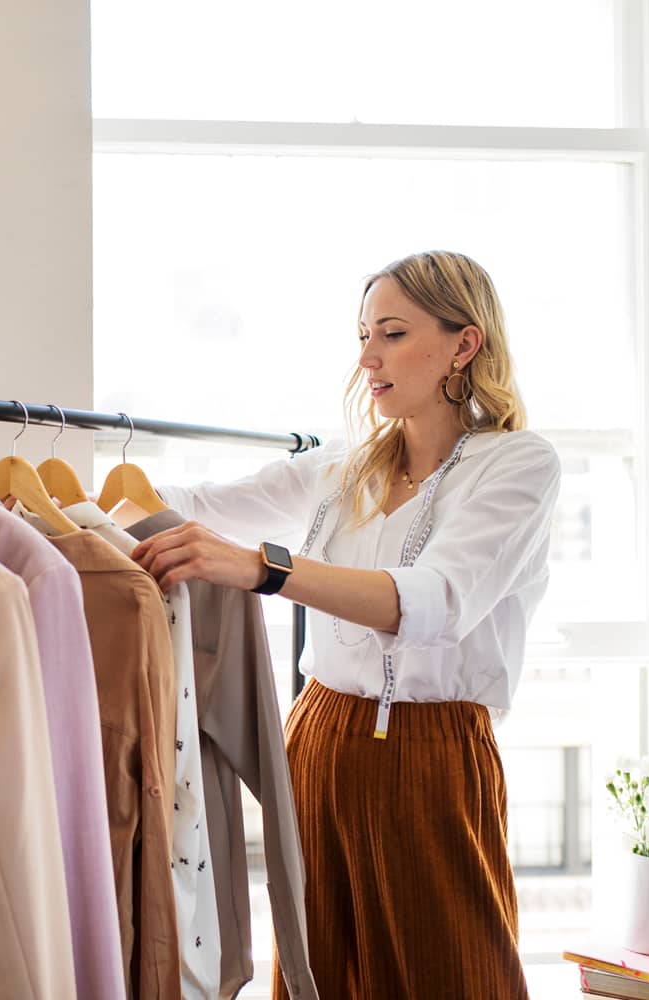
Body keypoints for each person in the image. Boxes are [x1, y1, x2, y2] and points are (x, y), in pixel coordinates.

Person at [129, 250, 560, 999]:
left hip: (434, 750)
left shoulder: (519, 465)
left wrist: (264, 568)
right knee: (320, 971)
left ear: (464, 344)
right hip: (318, 737)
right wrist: (44, 504)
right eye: (364, 335)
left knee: (458, 972)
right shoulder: (341, 469)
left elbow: (432, 601)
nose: (367, 358)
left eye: (392, 333)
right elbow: (189, 504)